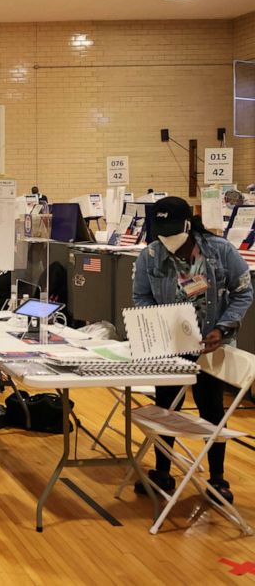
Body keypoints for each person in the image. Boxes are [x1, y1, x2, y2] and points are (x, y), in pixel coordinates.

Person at [132, 196, 252, 504]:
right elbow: (141, 296)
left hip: (210, 347)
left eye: (173, 233)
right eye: (162, 234)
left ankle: (217, 479)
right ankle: (162, 472)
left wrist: (223, 328)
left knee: (211, 409)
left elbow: (243, 292)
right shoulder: (150, 256)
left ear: (188, 225)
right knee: (164, 410)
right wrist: (159, 323)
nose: (168, 241)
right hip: (170, 347)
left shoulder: (221, 252)